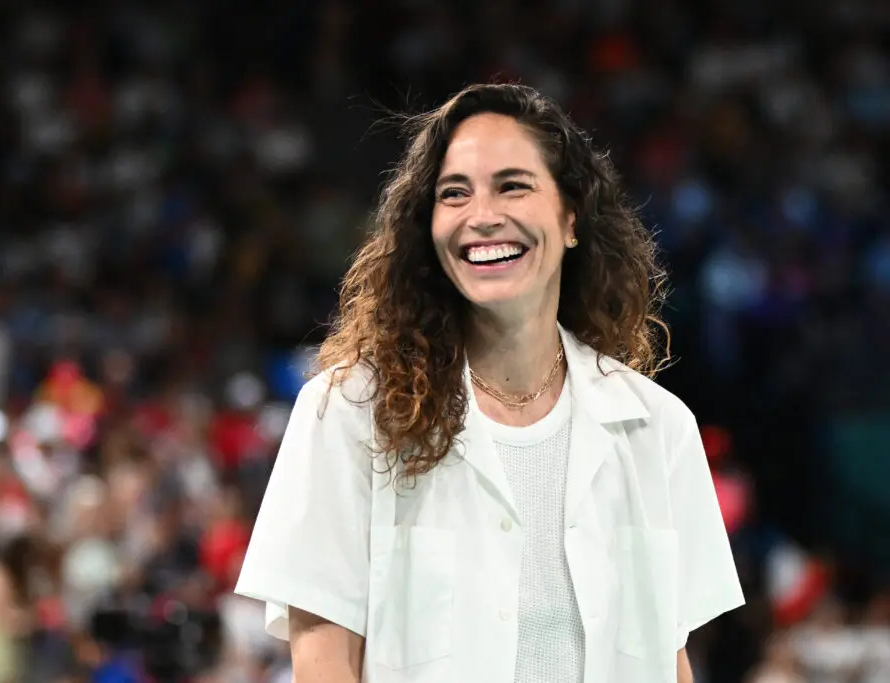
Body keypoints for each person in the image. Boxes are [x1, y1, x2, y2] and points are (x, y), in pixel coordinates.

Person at [234, 83, 744, 683]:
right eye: (454, 194)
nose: (481, 216)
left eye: (513, 185)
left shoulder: (658, 428)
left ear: (571, 217)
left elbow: (670, 657)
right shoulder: (346, 413)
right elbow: (323, 656)